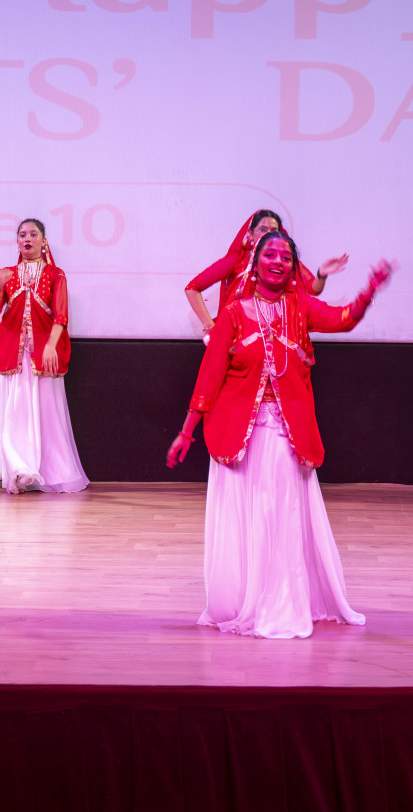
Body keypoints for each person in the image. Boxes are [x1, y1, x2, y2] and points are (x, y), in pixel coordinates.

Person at [167, 229, 393, 639]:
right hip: (238, 434)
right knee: (246, 518)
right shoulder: (234, 314)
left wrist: (368, 292)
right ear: (254, 264)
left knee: (279, 515)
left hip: (285, 434)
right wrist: (186, 432)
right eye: (270, 255)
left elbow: (343, 319)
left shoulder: (300, 306)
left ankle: (281, 603)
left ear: (293, 268)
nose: (278, 262)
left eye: (286, 257)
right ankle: (242, 601)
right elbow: (209, 376)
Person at [0, 219, 90, 494]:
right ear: (17, 241)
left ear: (44, 241)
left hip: (42, 356)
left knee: (46, 417)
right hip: (12, 354)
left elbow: (61, 316)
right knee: (13, 416)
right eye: (22, 235)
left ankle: (44, 470)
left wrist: (52, 345)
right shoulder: (8, 274)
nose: (27, 239)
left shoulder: (56, 274)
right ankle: (17, 470)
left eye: (33, 234)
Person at [184, 209, 347, 338]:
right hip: (238, 338)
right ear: (251, 234)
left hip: (275, 337)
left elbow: (313, 289)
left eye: (273, 230)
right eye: (262, 229)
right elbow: (192, 288)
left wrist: (322, 274)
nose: (267, 234)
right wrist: (209, 325)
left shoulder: (285, 262)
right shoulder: (237, 260)